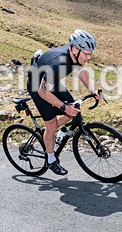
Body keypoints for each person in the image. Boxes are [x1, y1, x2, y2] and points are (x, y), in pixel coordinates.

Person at [27, 29, 100, 175]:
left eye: (90, 54)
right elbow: (43, 92)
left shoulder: (75, 56)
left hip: (50, 83)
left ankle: (50, 133)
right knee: (53, 123)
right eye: (86, 54)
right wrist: (63, 107)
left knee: (74, 110)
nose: (89, 58)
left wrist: (93, 90)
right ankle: (50, 158)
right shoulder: (58, 64)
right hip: (38, 87)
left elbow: (81, 71)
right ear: (74, 49)